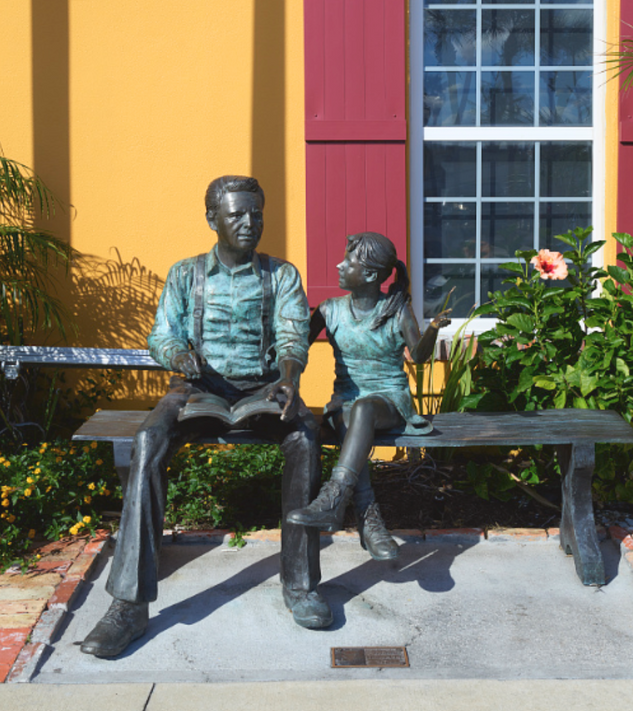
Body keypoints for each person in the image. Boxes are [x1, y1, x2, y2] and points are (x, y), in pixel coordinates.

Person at [81, 176, 330, 659]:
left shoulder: (281, 276)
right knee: (149, 440)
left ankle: (300, 586)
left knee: (304, 436)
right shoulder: (185, 274)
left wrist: (289, 378)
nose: (249, 223)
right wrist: (178, 356)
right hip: (195, 391)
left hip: (263, 388)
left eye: (256, 213)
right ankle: (127, 606)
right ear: (212, 218)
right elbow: (162, 334)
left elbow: (293, 334)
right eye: (236, 214)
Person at [286, 232, 450, 558]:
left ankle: (335, 498)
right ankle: (368, 517)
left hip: (389, 403)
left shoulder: (397, 311)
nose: (339, 264)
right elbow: (294, 346)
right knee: (353, 416)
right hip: (342, 405)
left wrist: (432, 330)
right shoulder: (330, 310)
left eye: (349, 261)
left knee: (363, 409)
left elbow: (417, 356)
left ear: (371, 275)